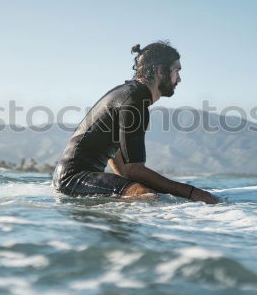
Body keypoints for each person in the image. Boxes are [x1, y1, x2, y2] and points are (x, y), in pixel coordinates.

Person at [52, 41, 219, 204]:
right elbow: (135, 170)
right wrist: (193, 193)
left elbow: (116, 153)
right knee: (146, 195)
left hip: (70, 178)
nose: (179, 79)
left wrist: (125, 182)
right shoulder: (133, 102)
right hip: (74, 179)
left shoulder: (131, 95)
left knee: (141, 191)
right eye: (176, 71)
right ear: (160, 71)